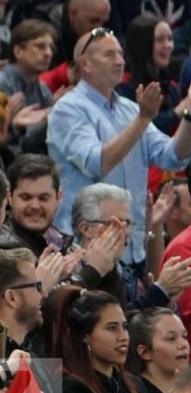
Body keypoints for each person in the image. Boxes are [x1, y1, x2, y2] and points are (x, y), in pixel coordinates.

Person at [50, 24, 191, 273]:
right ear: (85, 64)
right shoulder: (68, 109)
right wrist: (143, 119)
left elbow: (172, 156)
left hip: (132, 245)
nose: (119, 60)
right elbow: (98, 163)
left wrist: (189, 115)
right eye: (109, 54)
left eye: (120, 54)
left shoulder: (130, 108)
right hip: (87, 249)